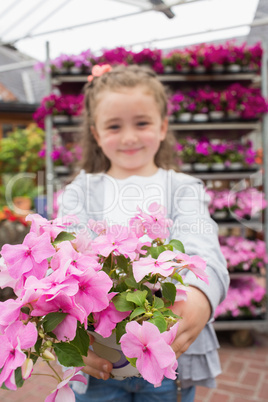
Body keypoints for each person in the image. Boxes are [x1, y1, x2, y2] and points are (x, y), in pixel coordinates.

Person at [58, 64, 229, 402]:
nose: (130, 137)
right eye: (114, 126)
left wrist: (197, 300)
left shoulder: (182, 189)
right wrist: (68, 337)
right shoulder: (81, 190)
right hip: (99, 363)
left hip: (169, 360)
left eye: (142, 123)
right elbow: (64, 255)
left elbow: (203, 251)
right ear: (95, 132)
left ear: (163, 126)